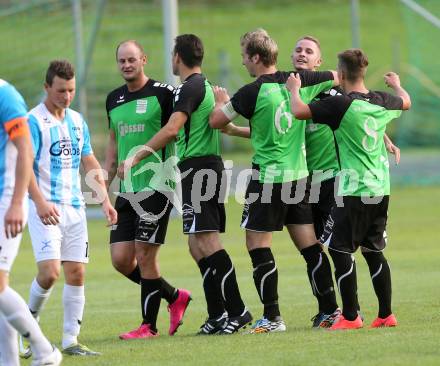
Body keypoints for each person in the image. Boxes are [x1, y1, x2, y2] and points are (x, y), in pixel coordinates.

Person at [117, 34, 251, 335]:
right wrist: (254, 132)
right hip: (199, 168)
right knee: (195, 244)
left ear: (178, 56)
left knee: (208, 242)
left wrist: (137, 156)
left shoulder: (188, 89)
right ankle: (217, 315)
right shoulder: (203, 86)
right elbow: (225, 126)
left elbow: (172, 129)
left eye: (173, 55)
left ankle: (238, 310)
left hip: (201, 168)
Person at [209, 28, 339, 333]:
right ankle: (329, 311)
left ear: (255, 57)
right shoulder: (299, 80)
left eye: (244, 56)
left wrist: (221, 100)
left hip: (268, 179)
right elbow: (337, 74)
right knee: (309, 246)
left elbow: (217, 121)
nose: (243, 62)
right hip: (299, 177)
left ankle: (272, 317)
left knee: (256, 244)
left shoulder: (250, 92)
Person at [287, 48, 410, 330]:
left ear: (340, 75)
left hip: (354, 190)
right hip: (380, 187)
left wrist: (294, 89)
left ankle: (351, 317)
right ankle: (385, 314)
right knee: (373, 250)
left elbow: (298, 111)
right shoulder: (381, 100)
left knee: (341, 251)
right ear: (363, 72)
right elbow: (406, 101)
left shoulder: (341, 104)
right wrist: (396, 84)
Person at [19, 60, 117, 357]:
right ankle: (26, 329)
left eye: (71, 90)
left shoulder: (76, 120)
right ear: (47, 87)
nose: (66, 96)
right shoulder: (33, 122)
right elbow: (24, 167)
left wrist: (105, 200)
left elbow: (89, 161)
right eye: (61, 90)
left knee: (76, 273)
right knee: (49, 274)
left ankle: (70, 340)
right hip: (44, 207)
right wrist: (39, 202)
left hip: (74, 208)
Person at [104, 40, 191, 339]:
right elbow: (113, 142)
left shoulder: (164, 93)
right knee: (120, 259)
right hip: (126, 190)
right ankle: (174, 296)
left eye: (132, 59)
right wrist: (104, 186)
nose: (127, 65)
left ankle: (148, 326)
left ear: (144, 59)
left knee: (145, 254)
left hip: (157, 185)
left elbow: (174, 130)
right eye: (122, 61)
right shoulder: (113, 99)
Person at [0, 78, 62, 366]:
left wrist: (15, 203)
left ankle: (43, 350)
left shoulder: (7, 96)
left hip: (7, 200)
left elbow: (25, 150)